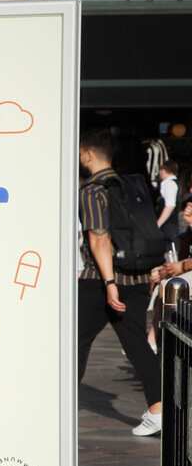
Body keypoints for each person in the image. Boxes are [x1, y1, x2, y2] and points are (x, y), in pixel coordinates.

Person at [78, 128, 163, 436]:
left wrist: (109, 281)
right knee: (136, 341)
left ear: (87, 154)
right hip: (138, 275)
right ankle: (159, 408)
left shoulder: (92, 190)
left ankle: (60, 405)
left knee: (75, 340)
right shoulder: (131, 185)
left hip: (101, 280)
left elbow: (99, 238)